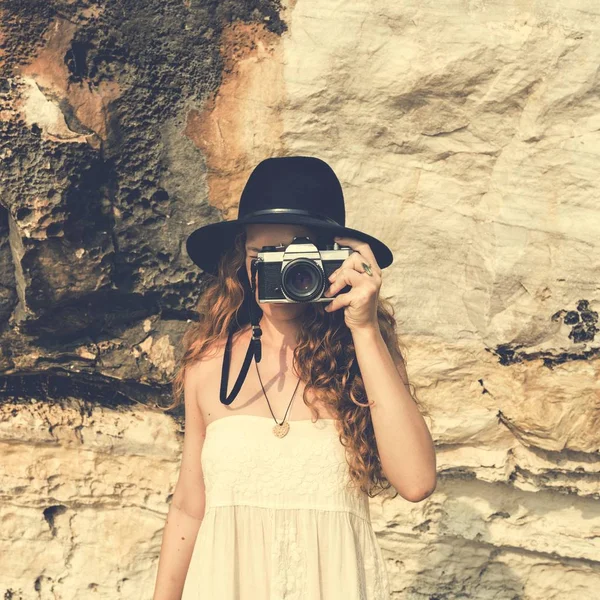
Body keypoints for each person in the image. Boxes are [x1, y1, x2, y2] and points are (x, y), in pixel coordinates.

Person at [153, 156, 436, 599]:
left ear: (331, 260)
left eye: (295, 255)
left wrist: (363, 327)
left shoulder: (363, 361)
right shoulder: (207, 365)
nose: (281, 271)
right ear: (240, 261)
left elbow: (416, 482)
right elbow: (190, 508)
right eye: (262, 255)